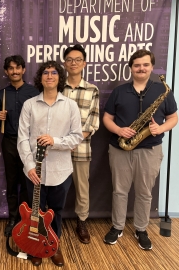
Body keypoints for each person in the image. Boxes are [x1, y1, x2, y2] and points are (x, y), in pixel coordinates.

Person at [103, 49, 178, 250]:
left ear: (152, 67)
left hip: (150, 149)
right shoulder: (119, 91)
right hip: (120, 148)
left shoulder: (162, 92)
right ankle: (117, 226)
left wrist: (160, 128)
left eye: (145, 64)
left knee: (145, 192)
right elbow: (107, 119)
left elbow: (173, 117)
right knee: (119, 191)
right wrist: (119, 130)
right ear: (131, 68)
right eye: (137, 65)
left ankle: (141, 228)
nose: (141, 68)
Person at [17, 60, 83, 267]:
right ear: (40, 78)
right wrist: (28, 166)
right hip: (34, 172)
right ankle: (35, 246)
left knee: (56, 211)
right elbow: (22, 139)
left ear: (59, 77)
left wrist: (55, 141)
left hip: (60, 171)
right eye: (46, 73)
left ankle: (54, 246)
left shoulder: (70, 105)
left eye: (54, 73)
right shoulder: (29, 105)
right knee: (35, 212)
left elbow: (76, 137)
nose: (50, 76)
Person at [0, 55, 39, 236]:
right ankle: (13, 218)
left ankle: (26, 218)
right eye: (11, 68)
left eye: (18, 67)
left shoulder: (34, 92)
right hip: (9, 141)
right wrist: (0, 119)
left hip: (29, 143)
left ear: (23, 70)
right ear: (6, 72)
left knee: (27, 182)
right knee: (12, 182)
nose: (14, 71)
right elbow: (0, 125)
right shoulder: (2, 94)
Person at [62, 44, 100, 244]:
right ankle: (52, 221)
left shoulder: (92, 90)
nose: (73, 63)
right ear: (64, 63)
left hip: (81, 149)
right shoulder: (57, 88)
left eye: (78, 60)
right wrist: (63, 143)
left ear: (84, 63)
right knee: (53, 186)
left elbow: (93, 121)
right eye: (69, 59)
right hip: (57, 150)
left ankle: (82, 221)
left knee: (82, 188)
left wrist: (74, 140)